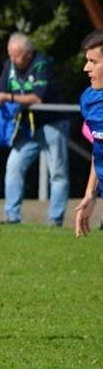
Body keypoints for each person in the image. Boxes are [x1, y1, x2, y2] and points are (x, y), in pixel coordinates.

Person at [0, 33, 69, 227]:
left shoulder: (42, 64)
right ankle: (11, 215)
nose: (13, 60)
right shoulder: (10, 65)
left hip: (52, 123)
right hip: (27, 126)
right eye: (10, 55)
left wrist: (8, 98)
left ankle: (55, 219)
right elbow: (0, 89)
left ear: (28, 54)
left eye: (16, 55)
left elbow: (37, 98)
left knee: (57, 172)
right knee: (14, 166)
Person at [75, 29, 103, 238]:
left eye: (94, 62)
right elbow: (98, 147)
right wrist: (90, 194)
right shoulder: (90, 100)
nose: (86, 68)